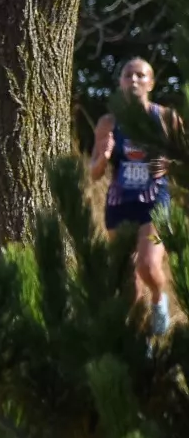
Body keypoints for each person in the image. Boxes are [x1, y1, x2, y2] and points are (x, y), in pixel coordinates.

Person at [90, 56, 180, 335]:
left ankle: (159, 302)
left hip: (154, 201)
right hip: (119, 203)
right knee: (128, 279)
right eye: (128, 75)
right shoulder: (108, 122)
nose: (134, 80)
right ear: (120, 83)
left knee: (149, 265)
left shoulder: (165, 118)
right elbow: (94, 172)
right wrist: (104, 157)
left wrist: (170, 162)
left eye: (141, 76)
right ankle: (141, 340)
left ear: (151, 83)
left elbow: (183, 159)